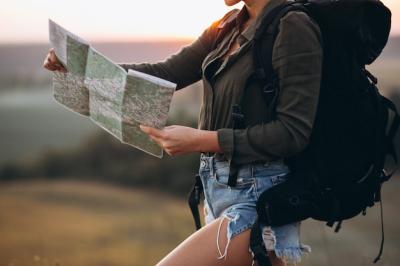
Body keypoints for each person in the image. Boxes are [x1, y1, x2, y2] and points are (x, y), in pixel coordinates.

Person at [44, 0, 323, 265]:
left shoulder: (293, 27)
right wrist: (80, 68)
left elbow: (292, 133)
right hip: (216, 190)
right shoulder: (227, 26)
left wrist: (200, 140)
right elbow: (165, 72)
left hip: (259, 198)